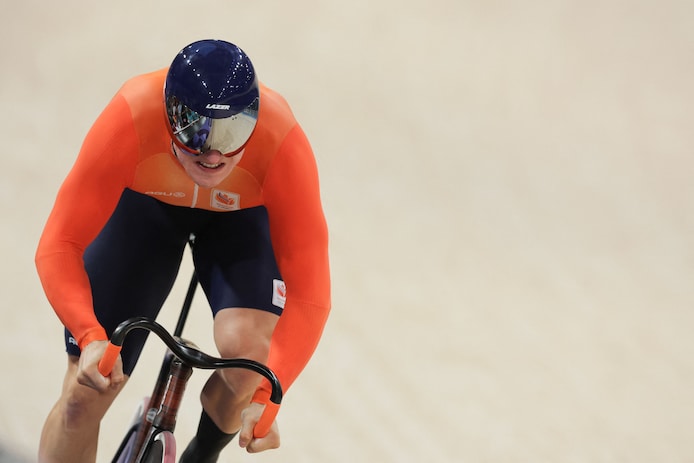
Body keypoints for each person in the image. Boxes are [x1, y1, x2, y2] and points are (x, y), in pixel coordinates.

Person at [35, 39, 331, 463]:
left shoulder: (281, 138)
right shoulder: (132, 113)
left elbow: (311, 296)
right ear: (167, 111)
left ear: (255, 118)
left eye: (232, 131)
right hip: (147, 208)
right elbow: (58, 245)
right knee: (84, 395)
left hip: (239, 219)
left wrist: (268, 393)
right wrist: (90, 336)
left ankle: (201, 455)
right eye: (195, 129)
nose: (213, 153)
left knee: (250, 358)